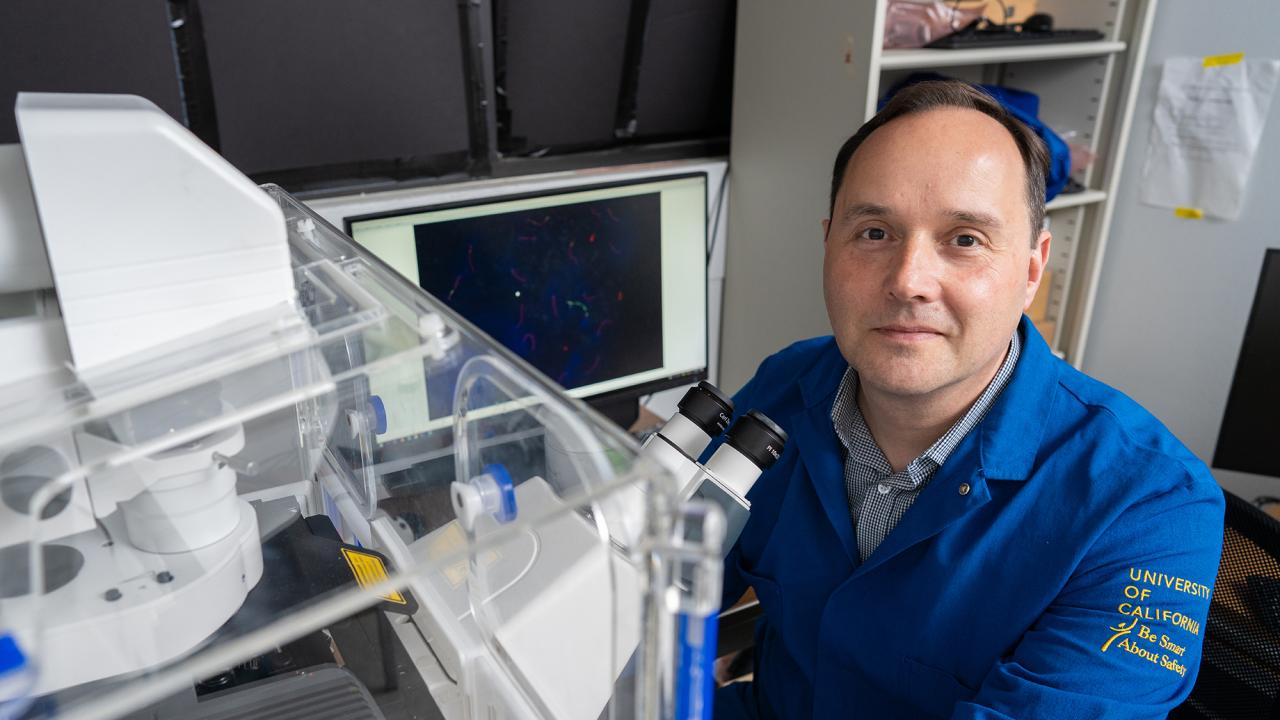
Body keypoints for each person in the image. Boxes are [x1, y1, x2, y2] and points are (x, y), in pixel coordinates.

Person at [713, 80, 1225, 719]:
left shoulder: (1149, 505)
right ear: (828, 244)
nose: (907, 281)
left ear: (1032, 269)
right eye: (874, 233)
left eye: (965, 240)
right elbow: (658, 574)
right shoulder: (785, 387)